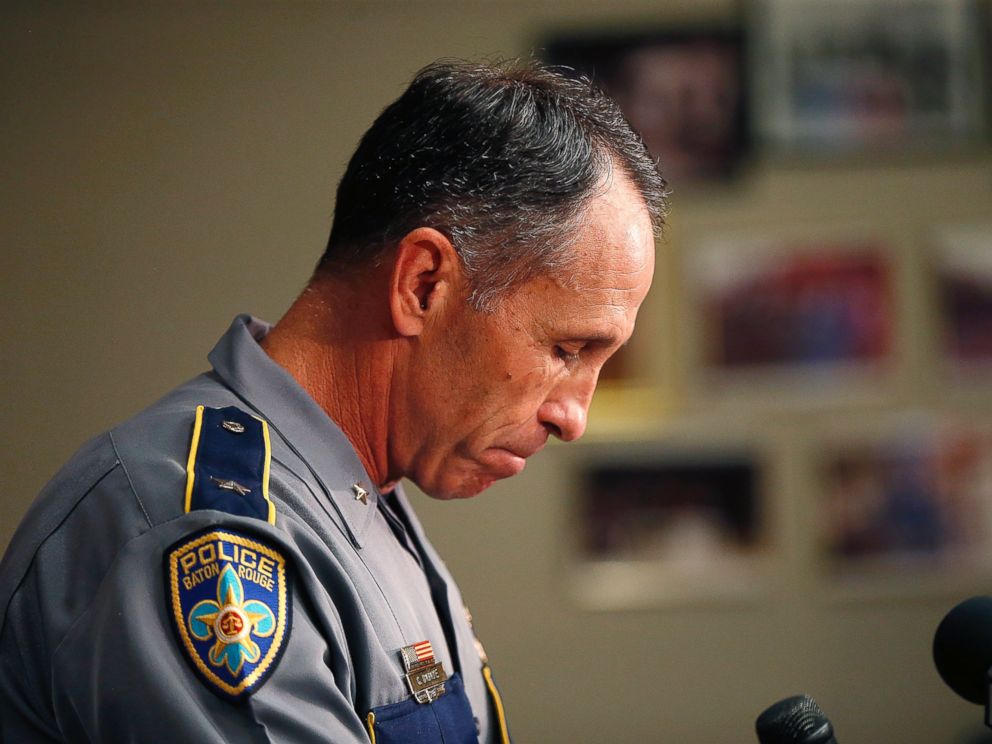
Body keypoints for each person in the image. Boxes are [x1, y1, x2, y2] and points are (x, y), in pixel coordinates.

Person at [0, 59, 667, 743]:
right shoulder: (206, 530)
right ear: (423, 284)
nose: (574, 417)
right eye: (566, 351)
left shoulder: (359, 496)